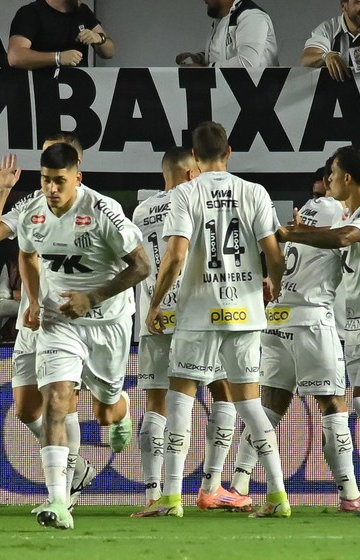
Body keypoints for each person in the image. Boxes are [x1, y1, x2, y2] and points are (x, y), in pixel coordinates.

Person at [141, 121, 288, 519]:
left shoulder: (187, 192)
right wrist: (271, 284)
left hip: (198, 311)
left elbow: (174, 255)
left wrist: (155, 304)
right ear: (229, 152)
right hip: (244, 311)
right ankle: (277, 494)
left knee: (180, 400)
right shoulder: (254, 192)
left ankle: (171, 498)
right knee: (251, 405)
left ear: (195, 156)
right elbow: (273, 252)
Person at [225, 161, 360, 513]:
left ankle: (239, 485)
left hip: (275, 320)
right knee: (333, 406)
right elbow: (344, 242)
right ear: (333, 182)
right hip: (311, 320)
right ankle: (350, 495)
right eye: (334, 178)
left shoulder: (305, 212)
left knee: (269, 407)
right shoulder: (335, 211)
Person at [18, 143, 149, 530]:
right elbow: (26, 255)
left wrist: (92, 297)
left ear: (78, 177)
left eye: (60, 181)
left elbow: (142, 266)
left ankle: (120, 404)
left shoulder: (103, 211)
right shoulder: (33, 211)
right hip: (60, 322)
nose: (52, 189)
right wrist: (33, 299)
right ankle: (59, 500)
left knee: (104, 412)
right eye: (45, 180)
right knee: (56, 400)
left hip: (108, 322)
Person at [277, 145, 360, 517]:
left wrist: (291, 234)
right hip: (355, 328)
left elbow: (341, 239)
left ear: (347, 178)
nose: (328, 180)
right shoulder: (347, 214)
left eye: (333, 174)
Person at [0, 134, 97, 514]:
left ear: (76, 166)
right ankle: (76, 468)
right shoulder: (34, 204)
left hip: (68, 322)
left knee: (62, 403)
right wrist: (2, 191)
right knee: (28, 410)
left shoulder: (93, 209)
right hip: (32, 319)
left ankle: (63, 493)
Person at [130, 148, 252, 514]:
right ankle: (211, 486)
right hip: (195, 313)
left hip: (153, 315)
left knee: (156, 404)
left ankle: (155, 495)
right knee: (224, 393)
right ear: (188, 174)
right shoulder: (196, 200)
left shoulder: (140, 211)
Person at [7, 0, 115, 70]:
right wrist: (58, 58)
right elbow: (15, 57)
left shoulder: (83, 12)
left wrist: (99, 39)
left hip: (78, 86)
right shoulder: (30, 13)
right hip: (42, 86)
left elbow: (109, 52)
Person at [175, 0, 277, 68]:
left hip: (259, 85)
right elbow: (222, 57)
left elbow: (248, 64)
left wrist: (204, 70)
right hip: (233, 85)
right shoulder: (223, 18)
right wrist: (200, 58)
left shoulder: (252, 17)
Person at [0, 248, 21, 343]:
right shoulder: (12, 266)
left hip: (49, 341)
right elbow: (0, 307)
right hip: (12, 340)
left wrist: (21, 297)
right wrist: (33, 304)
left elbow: (58, 308)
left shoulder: (58, 269)